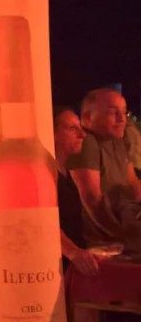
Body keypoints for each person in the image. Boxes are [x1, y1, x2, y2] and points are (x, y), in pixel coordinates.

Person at [67, 88, 141, 245]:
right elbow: (92, 201)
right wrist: (125, 236)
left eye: (124, 112)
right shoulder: (86, 142)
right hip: (103, 243)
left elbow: (134, 186)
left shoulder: (117, 141)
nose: (121, 119)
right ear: (88, 117)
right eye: (113, 112)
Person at [54, 106, 98, 274]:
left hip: (72, 266)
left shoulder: (65, 172)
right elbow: (44, 224)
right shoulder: (47, 173)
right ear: (53, 132)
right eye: (73, 129)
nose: (82, 135)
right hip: (57, 268)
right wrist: (73, 252)